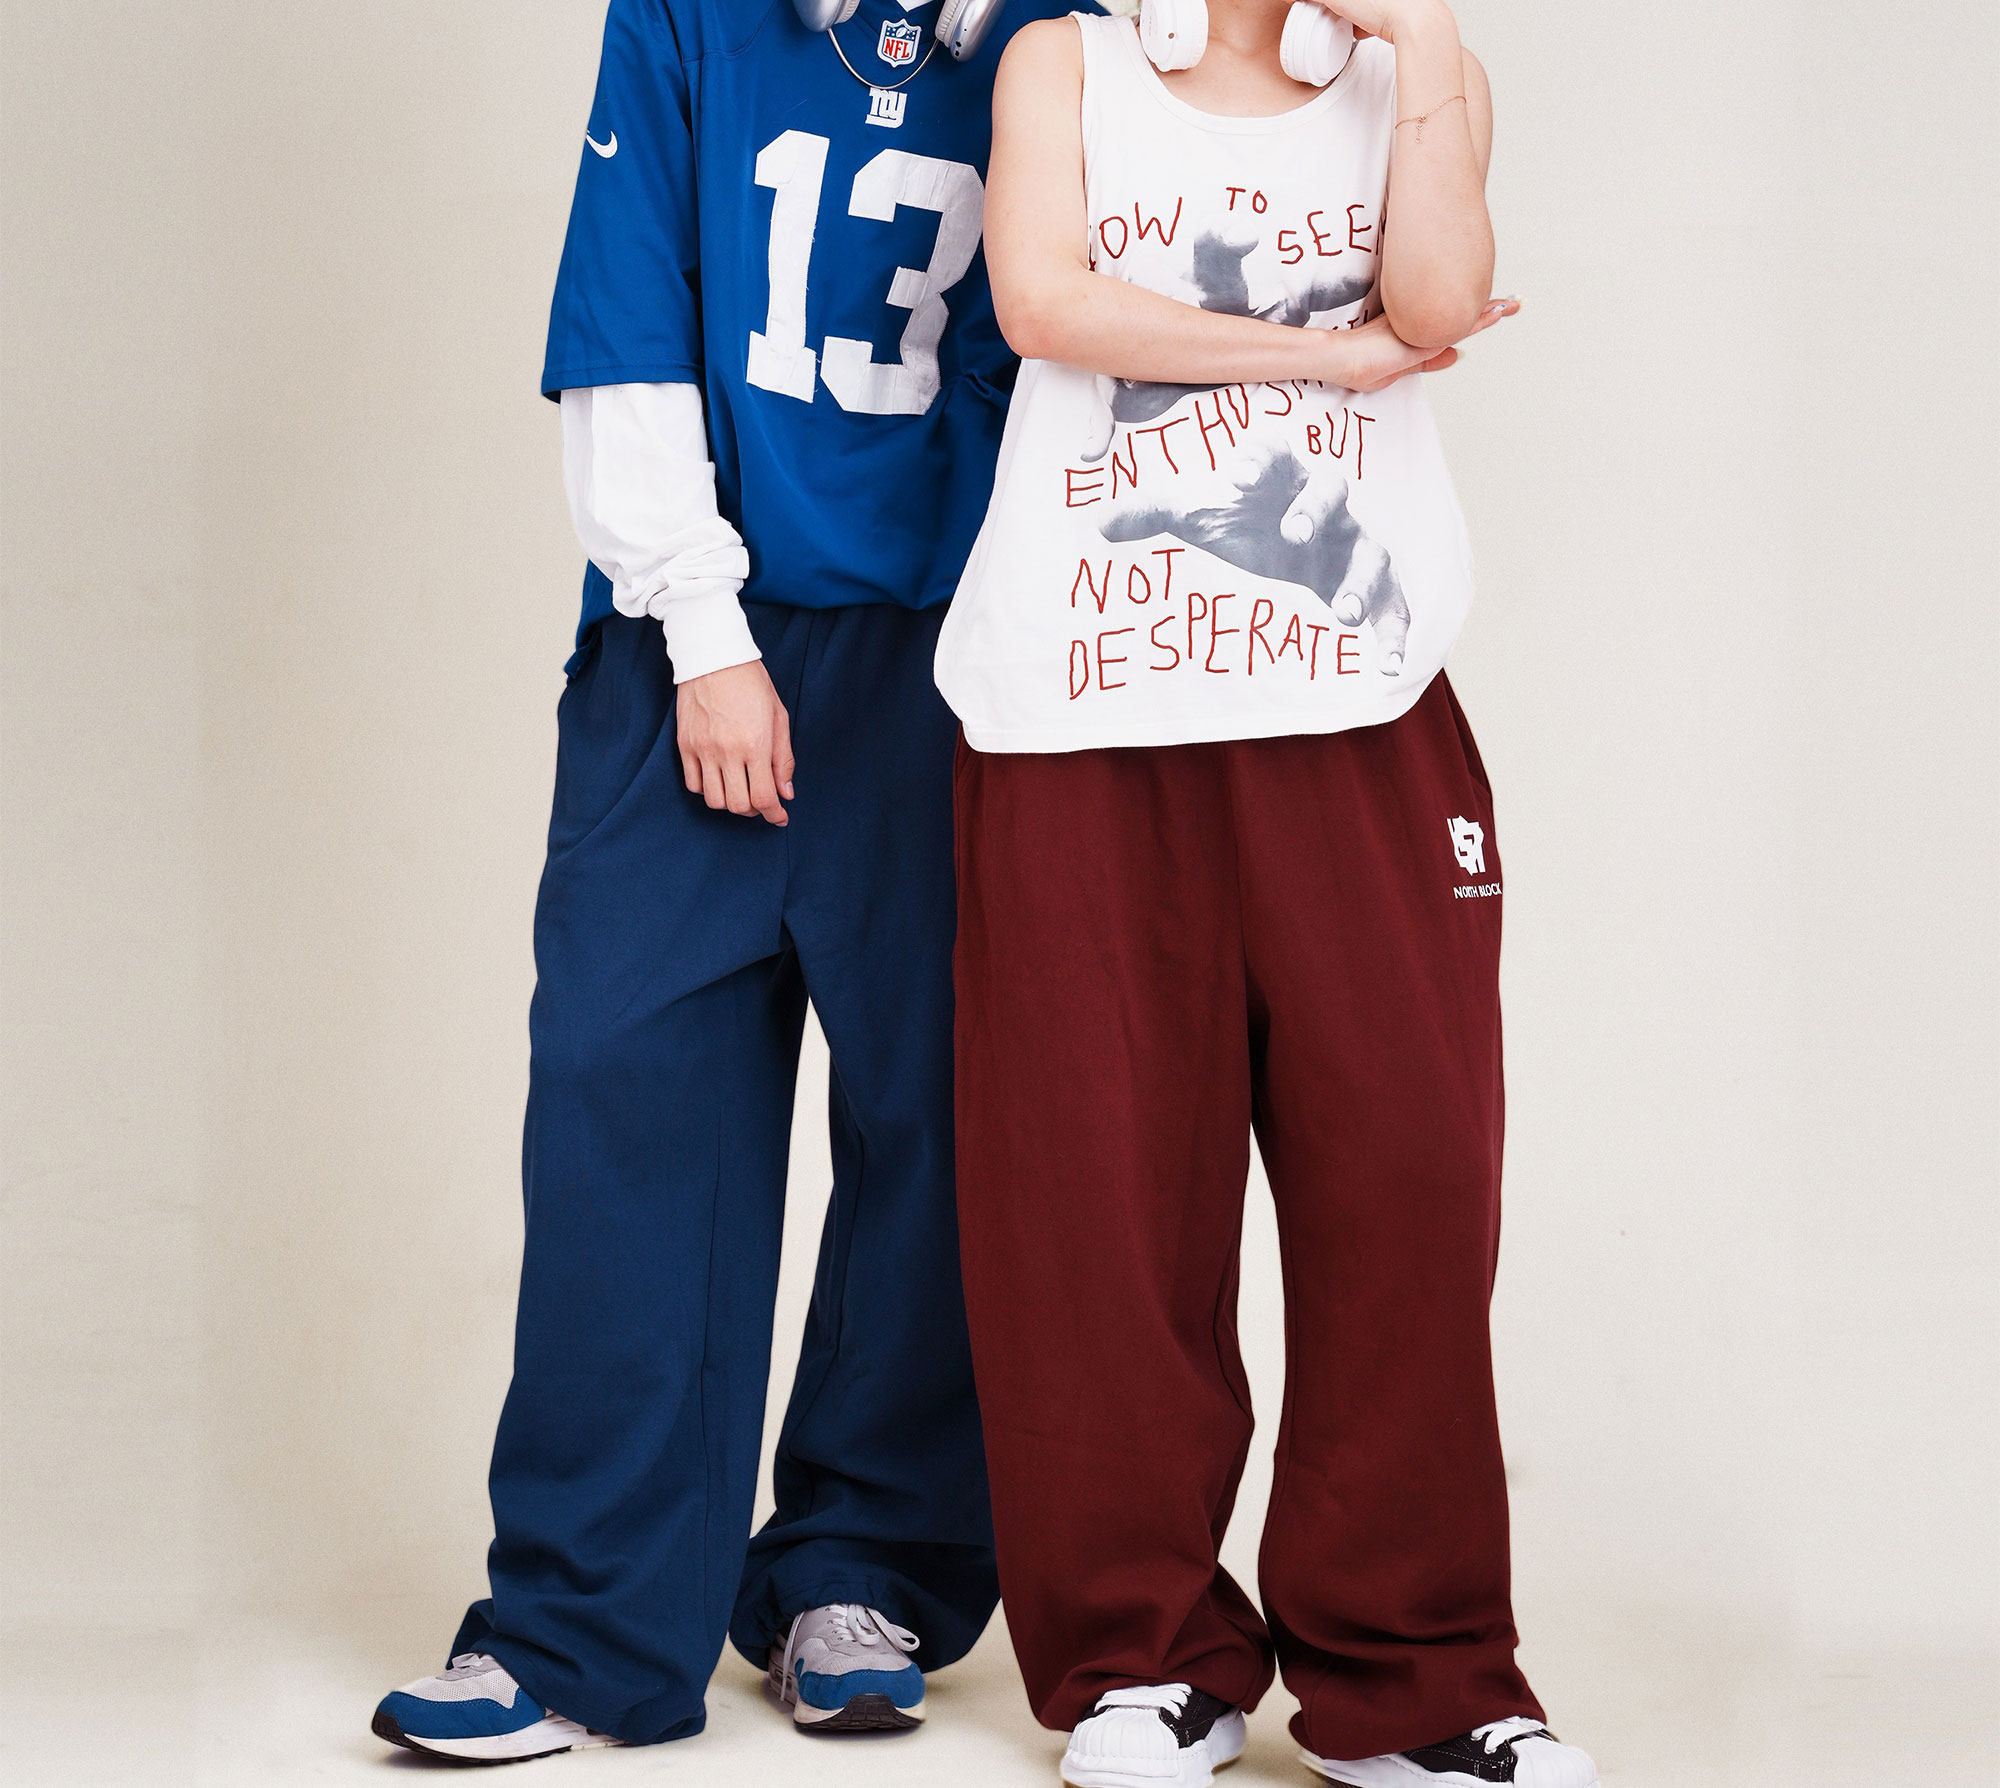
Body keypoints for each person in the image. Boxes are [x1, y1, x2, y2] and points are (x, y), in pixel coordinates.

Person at [371, 0, 1079, 1764]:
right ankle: (581, 1624)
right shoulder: (687, 17)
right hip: (697, 641)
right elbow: (628, 315)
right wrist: (703, 631)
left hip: (956, 659)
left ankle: (864, 1571)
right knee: (628, 1110)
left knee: (945, 1127)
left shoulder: (1063, 37)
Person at [935, 1, 1599, 1785]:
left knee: (1411, 1178)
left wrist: (1427, 38)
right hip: (1079, 705)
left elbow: (1442, 300)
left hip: (1356, 696)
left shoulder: (1411, 82)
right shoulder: (1063, 67)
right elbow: (1043, 304)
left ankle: (1424, 1676)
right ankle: (1143, 1660)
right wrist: (1329, 357)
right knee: (1095, 1205)